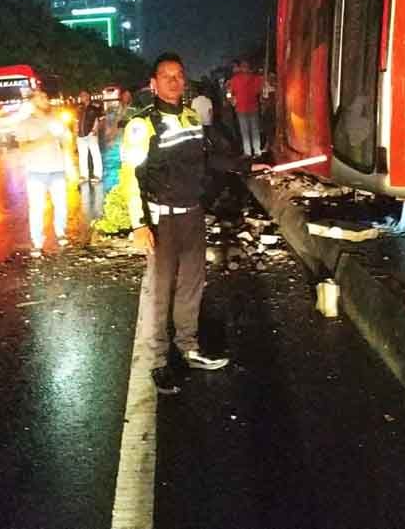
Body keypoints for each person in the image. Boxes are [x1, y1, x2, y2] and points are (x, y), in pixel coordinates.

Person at [123, 52, 269, 395]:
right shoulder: (142, 125)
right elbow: (130, 176)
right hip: (162, 222)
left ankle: (188, 348)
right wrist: (138, 224)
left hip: (191, 215)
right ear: (153, 84)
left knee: (191, 285)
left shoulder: (190, 118)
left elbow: (207, 159)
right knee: (161, 293)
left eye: (179, 75)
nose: (175, 82)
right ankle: (160, 361)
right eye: (167, 76)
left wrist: (245, 166)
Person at [14, 88, 70, 257]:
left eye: (46, 96)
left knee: (61, 205)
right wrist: (43, 140)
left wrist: (66, 140)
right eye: (42, 97)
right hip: (36, 172)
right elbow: (23, 147)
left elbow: (66, 138)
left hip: (57, 169)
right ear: (33, 102)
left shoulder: (54, 119)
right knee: (37, 208)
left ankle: (61, 233)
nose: (46, 99)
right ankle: (37, 242)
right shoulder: (25, 124)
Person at [227, 60, 265, 156]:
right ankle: (257, 151)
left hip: (241, 108)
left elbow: (229, 92)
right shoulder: (256, 78)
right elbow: (260, 91)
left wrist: (232, 101)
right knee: (255, 130)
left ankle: (247, 152)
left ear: (241, 68)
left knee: (245, 131)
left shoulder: (234, 79)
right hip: (253, 107)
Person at [75, 90, 104, 183]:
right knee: (82, 156)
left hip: (91, 134)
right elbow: (75, 121)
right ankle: (84, 175)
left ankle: (98, 175)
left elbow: (101, 119)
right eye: (81, 95)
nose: (82, 97)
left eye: (84, 95)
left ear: (88, 96)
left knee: (95, 155)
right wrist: (75, 131)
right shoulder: (79, 108)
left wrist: (95, 130)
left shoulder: (95, 107)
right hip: (80, 135)